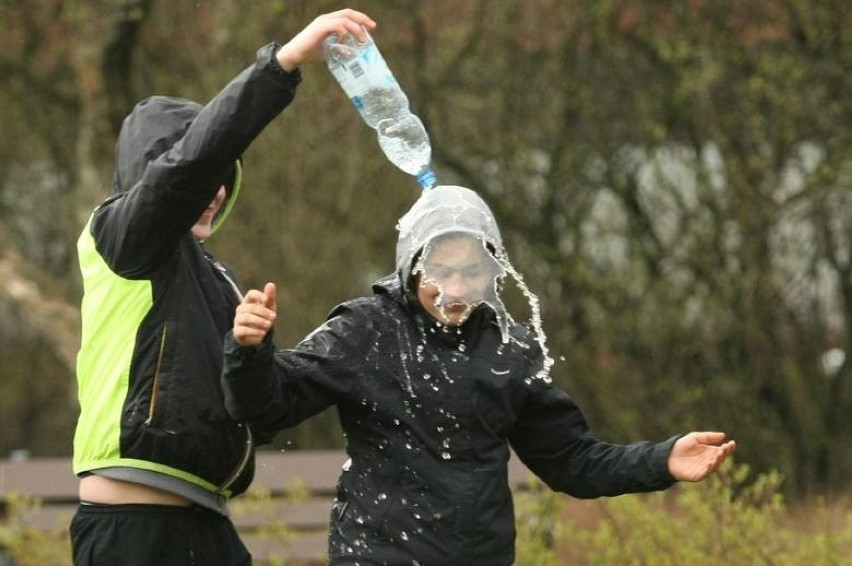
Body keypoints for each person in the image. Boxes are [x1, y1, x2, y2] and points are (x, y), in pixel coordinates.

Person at [222, 185, 737, 564]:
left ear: (495, 273)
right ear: (412, 267)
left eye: (473, 272)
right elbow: (270, 404)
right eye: (441, 272)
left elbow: (572, 462)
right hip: (376, 554)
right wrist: (249, 350)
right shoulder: (366, 329)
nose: (457, 287)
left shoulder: (509, 351)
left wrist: (663, 459)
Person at [69, 9, 377, 566]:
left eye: (224, 177)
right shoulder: (120, 236)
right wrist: (283, 64)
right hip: (132, 528)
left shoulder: (218, 279)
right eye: (204, 177)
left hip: (206, 521)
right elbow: (188, 167)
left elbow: (259, 409)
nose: (213, 190)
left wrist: (257, 348)